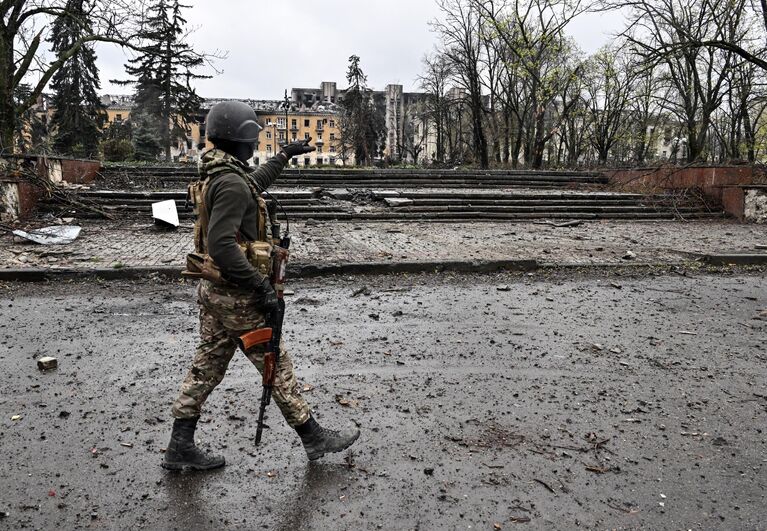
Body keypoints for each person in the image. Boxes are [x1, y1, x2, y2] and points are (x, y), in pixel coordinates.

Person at [162, 100, 359, 471]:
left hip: (217, 293)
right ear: (241, 140)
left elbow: (252, 185)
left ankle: (180, 444)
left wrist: (284, 155)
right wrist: (260, 286)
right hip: (238, 297)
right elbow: (221, 245)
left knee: (206, 367)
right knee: (275, 362)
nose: (255, 145)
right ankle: (313, 436)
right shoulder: (230, 182)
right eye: (253, 137)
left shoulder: (218, 174)